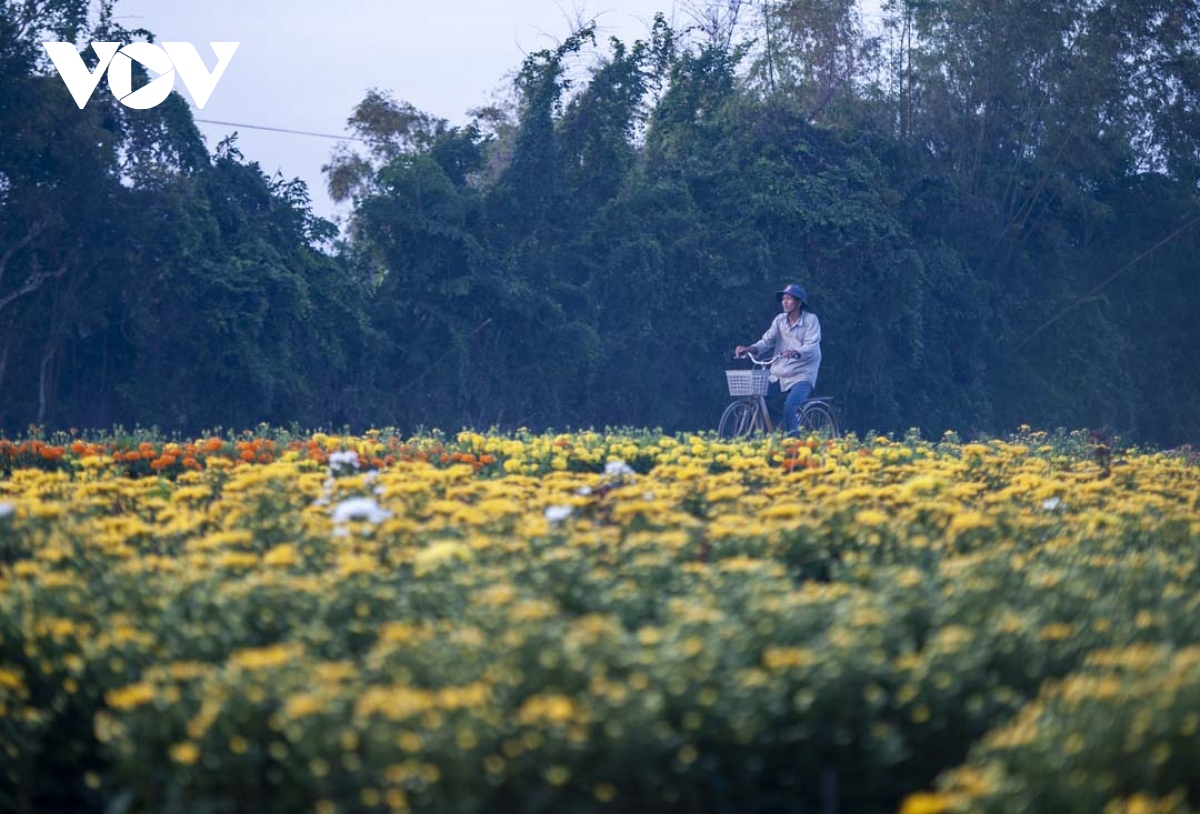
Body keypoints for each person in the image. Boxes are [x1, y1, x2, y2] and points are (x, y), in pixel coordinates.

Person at [734, 283, 822, 435]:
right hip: (779, 375)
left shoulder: (811, 320)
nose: (785, 302)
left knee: (790, 405)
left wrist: (795, 352)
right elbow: (766, 341)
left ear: (799, 303)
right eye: (783, 299)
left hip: (802, 375)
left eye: (789, 299)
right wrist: (749, 349)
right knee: (758, 396)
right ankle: (775, 430)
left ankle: (794, 446)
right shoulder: (780, 320)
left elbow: (812, 346)